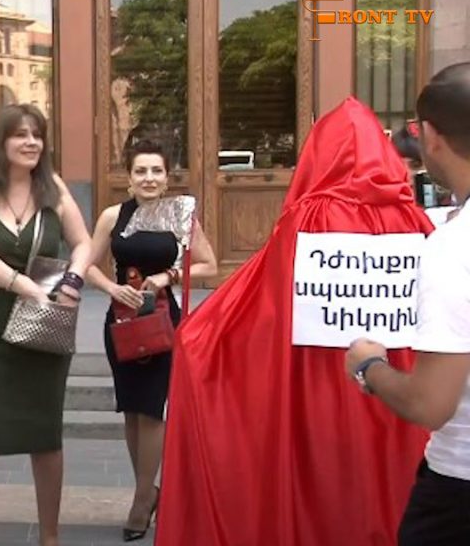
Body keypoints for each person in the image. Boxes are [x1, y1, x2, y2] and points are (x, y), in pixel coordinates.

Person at [156, 97, 432, 546]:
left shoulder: (309, 216)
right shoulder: (413, 220)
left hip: (314, 384)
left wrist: (201, 334)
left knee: (319, 485)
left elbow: (261, 297)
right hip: (395, 388)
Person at [0, 103, 92, 546]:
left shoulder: (53, 188)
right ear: (1, 141)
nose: (31, 142)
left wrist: (74, 279)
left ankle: (50, 537)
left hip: (41, 328)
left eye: (37, 135)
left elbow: (83, 242)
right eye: (20, 134)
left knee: (45, 435)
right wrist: (26, 286)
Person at [345, 62, 470, 546]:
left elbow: (430, 404)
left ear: (431, 138)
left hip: (458, 489)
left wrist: (368, 367)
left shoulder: (453, 247)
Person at [84, 140, 217, 541]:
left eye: (156, 171)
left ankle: (142, 501)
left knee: (153, 409)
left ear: (167, 177)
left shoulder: (180, 215)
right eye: (141, 171)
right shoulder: (113, 216)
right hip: (121, 322)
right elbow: (87, 265)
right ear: (129, 177)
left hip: (162, 322)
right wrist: (112, 288)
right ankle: (148, 491)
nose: (149, 178)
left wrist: (168, 276)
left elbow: (209, 264)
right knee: (131, 408)